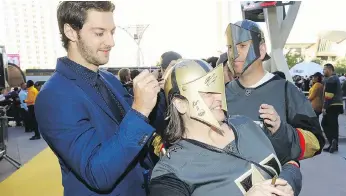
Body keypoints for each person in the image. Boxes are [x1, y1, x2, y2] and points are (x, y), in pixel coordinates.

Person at [34, 2, 166, 195]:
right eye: (99, 33)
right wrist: (140, 110)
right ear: (71, 32)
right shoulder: (53, 96)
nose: (111, 42)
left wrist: (162, 94)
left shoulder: (109, 80)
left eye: (112, 32)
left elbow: (139, 130)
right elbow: (98, 174)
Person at [150, 60, 301, 196]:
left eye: (218, 88)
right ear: (181, 104)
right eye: (208, 92)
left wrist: (287, 183)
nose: (219, 97)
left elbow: (290, 162)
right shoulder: (171, 171)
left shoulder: (245, 125)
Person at [224, 20, 325, 165]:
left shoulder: (286, 91)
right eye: (230, 47)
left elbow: (315, 142)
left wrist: (281, 130)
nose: (234, 53)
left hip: (271, 184)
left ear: (261, 49)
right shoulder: (222, 93)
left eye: (242, 46)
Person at [321, 63, 343, 153]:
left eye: (325, 69)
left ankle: (332, 141)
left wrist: (325, 107)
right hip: (336, 105)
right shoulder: (334, 78)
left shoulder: (331, 79)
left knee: (326, 123)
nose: (323, 71)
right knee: (333, 125)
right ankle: (333, 144)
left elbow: (329, 95)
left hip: (332, 105)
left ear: (330, 70)